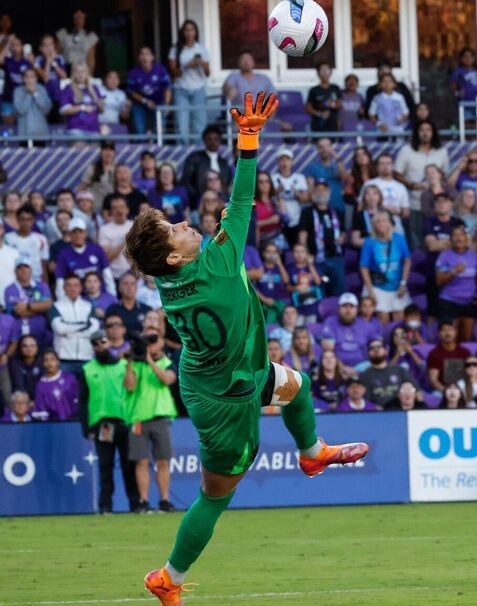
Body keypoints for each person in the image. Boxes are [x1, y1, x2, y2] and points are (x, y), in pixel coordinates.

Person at [124, 93, 368, 603]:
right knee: (216, 496)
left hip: (222, 371)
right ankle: (166, 578)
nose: (188, 224)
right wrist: (248, 139)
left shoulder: (174, 280)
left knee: (296, 386)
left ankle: (312, 454)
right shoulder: (219, 258)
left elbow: (222, 218)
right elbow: (240, 202)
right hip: (225, 401)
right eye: (177, 229)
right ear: (173, 255)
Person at [79, 329, 138, 513]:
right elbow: (83, 400)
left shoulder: (123, 365)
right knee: (106, 465)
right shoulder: (88, 369)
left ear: (109, 342)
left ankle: (135, 503)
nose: (99, 346)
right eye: (95, 343)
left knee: (129, 464)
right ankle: (106, 505)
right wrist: (85, 426)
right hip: (103, 424)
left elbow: (132, 390)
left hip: (124, 421)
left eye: (102, 341)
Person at [126, 322, 178, 513]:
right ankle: (143, 501)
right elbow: (129, 386)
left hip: (160, 416)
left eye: (153, 339)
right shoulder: (135, 363)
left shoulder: (167, 362)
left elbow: (167, 379)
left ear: (162, 342)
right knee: (141, 461)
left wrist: (149, 360)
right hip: (138, 417)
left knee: (163, 460)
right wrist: (132, 360)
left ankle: (164, 500)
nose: (151, 343)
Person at [360, 210, 411, 323]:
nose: (381, 224)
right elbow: (364, 267)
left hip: (397, 284)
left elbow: (407, 261)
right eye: (378, 222)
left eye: (384, 221)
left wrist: (403, 283)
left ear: (389, 223)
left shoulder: (399, 239)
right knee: (383, 318)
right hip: (377, 285)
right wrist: (370, 290)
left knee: (400, 317)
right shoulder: (369, 242)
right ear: (374, 226)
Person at [297, 179, 346, 296]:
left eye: (324, 189)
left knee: (338, 292)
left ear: (329, 192)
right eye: (317, 189)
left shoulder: (337, 212)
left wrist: (343, 238)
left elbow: (344, 233)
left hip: (336, 258)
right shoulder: (307, 212)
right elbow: (302, 237)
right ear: (313, 192)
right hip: (317, 260)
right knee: (319, 291)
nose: (321, 192)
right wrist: (307, 255)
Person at [167, 20, 211, 142]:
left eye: (192, 29)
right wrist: (188, 65)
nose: (189, 32)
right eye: (186, 30)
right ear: (182, 32)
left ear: (196, 32)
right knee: (182, 125)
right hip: (181, 89)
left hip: (199, 90)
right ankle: (182, 153)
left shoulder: (201, 49)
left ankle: (199, 151)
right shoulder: (175, 49)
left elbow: (208, 73)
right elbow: (173, 73)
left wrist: (202, 64)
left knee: (200, 125)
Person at [435, 225, 477, 343]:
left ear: (466, 238)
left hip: (469, 302)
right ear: (451, 239)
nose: (459, 238)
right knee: (450, 338)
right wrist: (454, 271)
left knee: (466, 339)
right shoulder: (445, 256)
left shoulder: (474, 255)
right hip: (450, 301)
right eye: (455, 235)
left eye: (462, 235)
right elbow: (439, 280)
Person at [321, 292, 381, 369]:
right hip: (336, 367)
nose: (348, 310)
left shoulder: (365, 325)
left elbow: (377, 344)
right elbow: (328, 350)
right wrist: (343, 368)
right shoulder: (330, 322)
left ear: (357, 309)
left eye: (351, 307)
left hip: (362, 366)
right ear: (339, 308)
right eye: (344, 306)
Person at [181, 125, 232, 206]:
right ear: (204, 140)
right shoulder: (194, 158)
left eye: (216, 139)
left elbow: (227, 183)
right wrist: (198, 197)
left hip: (221, 202)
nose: (213, 142)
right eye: (209, 139)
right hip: (199, 202)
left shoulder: (224, 162)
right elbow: (186, 181)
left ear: (220, 141)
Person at [5, 261, 52, 346]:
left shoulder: (42, 286)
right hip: (18, 337)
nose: (23, 270)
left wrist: (27, 306)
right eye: (20, 268)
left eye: (26, 267)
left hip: (41, 334)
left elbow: (48, 306)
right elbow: (18, 311)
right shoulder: (9, 289)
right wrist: (39, 308)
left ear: (31, 269)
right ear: (15, 271)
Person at [127, 46, 171, 135]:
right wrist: (145, 101)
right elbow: (131, 92)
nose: (145, 57)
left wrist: (166, 105)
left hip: (159, 102)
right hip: (140, 103)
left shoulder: (160, 70)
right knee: (139, 130)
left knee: (160, 130)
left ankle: (160, 148)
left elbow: (168, 88)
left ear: (152, 57)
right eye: (142, 54)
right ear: (139, 58)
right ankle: (141, 147)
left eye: (147, 54)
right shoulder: (133, 73)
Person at [303, 137, 350, 216]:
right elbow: (310, 191)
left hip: (338, 207)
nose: (325, 149)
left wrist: (337, 158)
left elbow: (345, 178)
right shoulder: (312, 167)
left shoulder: (338, 165)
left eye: (327, 146)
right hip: (321, 210)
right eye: (321, 147)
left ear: (331, 147)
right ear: (318, 149)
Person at [32, 348, 78, 421]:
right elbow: (41, 410)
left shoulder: (69, 378)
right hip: (52, 425)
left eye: (52, 359)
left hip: (73, 422)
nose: (49, 363)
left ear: (58, 362)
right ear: (43, 363)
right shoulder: (40, 385)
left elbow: (77, 400)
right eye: (46, 360)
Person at [58, 62, 104, 135]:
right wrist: (82, 108)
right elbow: (64, 110)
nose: (80, 74)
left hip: (94, 129)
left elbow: (101, 110)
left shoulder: (94, 88)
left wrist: (99, 103)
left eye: (83, 71)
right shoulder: (68, 89)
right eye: (77, 71)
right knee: (79, 146)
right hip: (76, 129)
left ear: (87, 73)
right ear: (73, 73)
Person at [56, 8, 98, 75]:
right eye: (76, 17)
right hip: (65, 68)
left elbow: (91, 59)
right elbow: (56, 54)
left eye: (81, 17)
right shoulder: (63, 33)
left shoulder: (91, 36)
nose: (78, 20)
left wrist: (90, 76)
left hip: (82, 69)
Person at [13, 68, 51, 139]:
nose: (29, 79)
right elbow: (20, 110)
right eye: (27, 77)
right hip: (24, 134)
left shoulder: (41, 89)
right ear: (23, 79)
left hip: (41, 133)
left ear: (36, 78)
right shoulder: (18, 91)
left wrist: (35, 93)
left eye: (32, 76)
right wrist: (29, 94)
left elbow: (46, 109)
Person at [305, 62, 340, 133]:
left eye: (326, 70)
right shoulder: (314, 90)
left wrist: (333, 105)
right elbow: (308, 108)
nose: (325, 73)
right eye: (322, 70)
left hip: (333, 121)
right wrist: (319, 114)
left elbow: (340, 104)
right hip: (318, 122)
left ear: (330, 72)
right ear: (318, 73)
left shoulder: (335, 88)